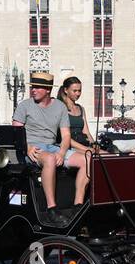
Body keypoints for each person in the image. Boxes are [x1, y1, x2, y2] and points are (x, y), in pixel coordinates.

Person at [12, 70, 86, 219]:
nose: (33, 90)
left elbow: (66, 135)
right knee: (50, 159)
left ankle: (78, 206)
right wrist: (27, 147)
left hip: (53, 147)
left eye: (37, 87)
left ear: (48, 90)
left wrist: (62, 152)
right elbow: (15, 133)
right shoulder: (24, 106)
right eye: (32, 87)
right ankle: (51, 208)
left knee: (87, 160)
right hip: (32, 147)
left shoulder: (59, 107)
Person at [55, 76, 96, 195]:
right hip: (71, 145)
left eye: (80, 91)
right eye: (75, 91)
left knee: (109, 156)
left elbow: (86, 132)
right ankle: (80, 198)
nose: (78, 94)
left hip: (84, 144)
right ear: (66, 90)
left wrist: (94, 144)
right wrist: (88, 149)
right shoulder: (60, 108)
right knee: (92, 158)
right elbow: (66, 137)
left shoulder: (81, 109)